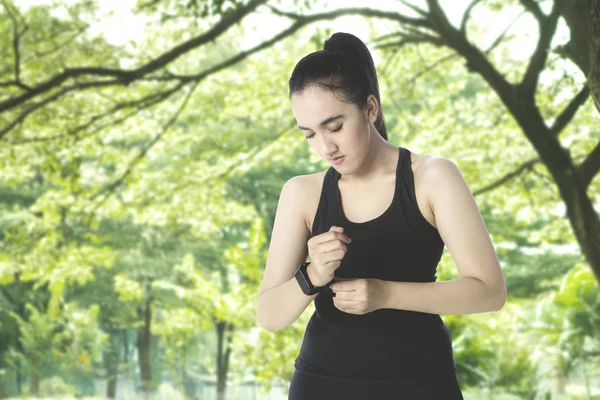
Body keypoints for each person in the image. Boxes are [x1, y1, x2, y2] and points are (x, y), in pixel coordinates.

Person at [257, 31, 506, 400]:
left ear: (370, 108)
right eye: (309, 135)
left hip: (421, 384)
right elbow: (269, 315)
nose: (325, 147)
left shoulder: (432, 178)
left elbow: (490, 292)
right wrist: (311, 276)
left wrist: (384, 293)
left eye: (335, 126)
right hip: (322, 384)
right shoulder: (302, 193)